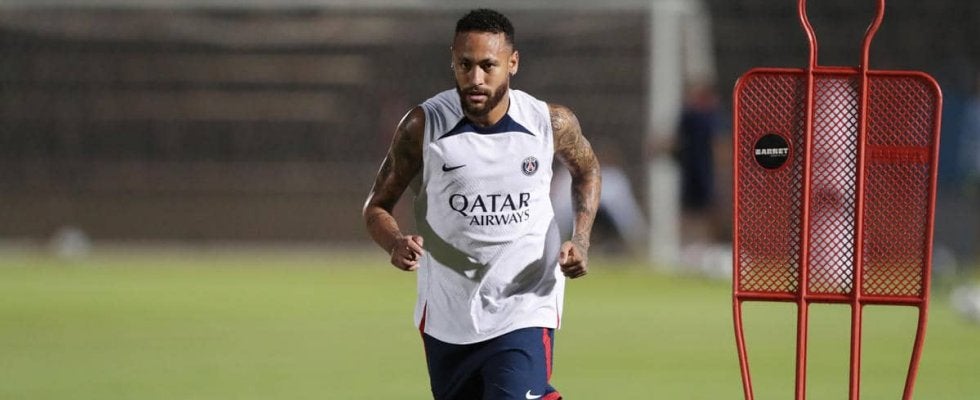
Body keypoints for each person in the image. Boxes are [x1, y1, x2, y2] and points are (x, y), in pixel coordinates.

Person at [362, 9, 601, 400]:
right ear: (452, 61)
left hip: (526, 305)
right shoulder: (423, 126)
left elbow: (587, 171)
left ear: (513, 63)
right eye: (465, 65)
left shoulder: (549, 123)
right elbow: (376, 206)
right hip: (448, 315)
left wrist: (582, 239)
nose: (475, 78)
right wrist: (395, 243)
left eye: (488, 66)